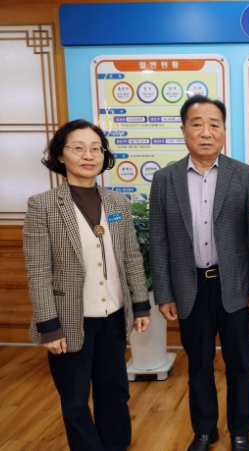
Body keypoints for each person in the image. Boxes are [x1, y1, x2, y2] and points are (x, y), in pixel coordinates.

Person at [149, 96, 249, 451]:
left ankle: (240, 432)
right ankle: (204, 431)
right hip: (189, 288)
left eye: (214, 124)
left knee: (239, 364)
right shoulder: (165, 179)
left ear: (223, 130)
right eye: (197, 124)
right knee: (199, 365)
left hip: (234, 286)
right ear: (184, 129)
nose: (206, 132)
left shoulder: (243, 174)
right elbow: (158, 240)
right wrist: (164, 293)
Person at [23, 119, 151, 450]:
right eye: (78, 148)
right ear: (60, 155)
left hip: (113, 317)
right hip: (68, 321)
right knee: (76, 400)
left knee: (115, 392)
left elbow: (131, 257)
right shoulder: (43, 205)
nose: (88, 155)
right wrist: (49, 326)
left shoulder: (117, 202)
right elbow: (38, 270)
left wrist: (140, 305)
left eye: (96, 148)